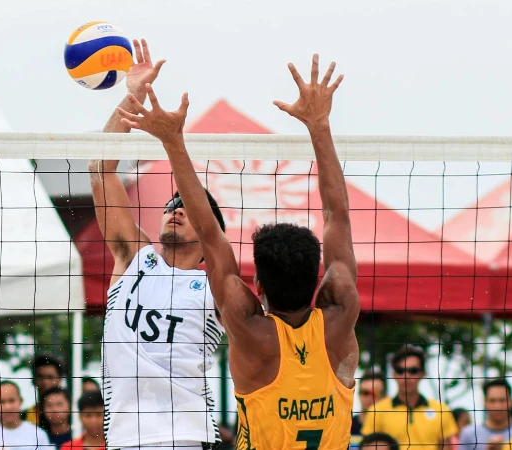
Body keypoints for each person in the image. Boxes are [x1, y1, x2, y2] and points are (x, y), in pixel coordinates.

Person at [117, 53, 359, 448]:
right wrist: (319, 125)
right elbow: (339, 216)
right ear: (319, 278)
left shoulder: (251, 333)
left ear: (257, 284)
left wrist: (173, 143)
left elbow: (212, 237)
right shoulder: (341, 317)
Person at [89, 38, 225, 450]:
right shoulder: (135, 257)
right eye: (171, 204)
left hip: (187, 437)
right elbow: (99, 167)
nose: (175, 210)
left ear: (208, 230)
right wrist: (132, 95)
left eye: (187, 208)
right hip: (125, 439)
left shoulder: (219, 284)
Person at [362, 346, 459, 449]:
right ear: (393, 374)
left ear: (423, 373)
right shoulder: (377, 411)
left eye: (413, 371)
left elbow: (447, 447)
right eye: (400, 370)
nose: (406, 376)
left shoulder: (441, 410)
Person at [0, 381, 52, 450]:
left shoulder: (38, 435)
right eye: (1, 402)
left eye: (11, 401)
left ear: (20, 401)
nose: (7, 407)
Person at [459, 378, 512, 450]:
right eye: (492, 401)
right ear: (484, 402)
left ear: (511, 402)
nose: (497, 406)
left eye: (502, 400)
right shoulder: (468, 434)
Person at [24, 355, 65, 425]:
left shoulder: (74, 416)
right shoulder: (24, 417)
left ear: (60, 379)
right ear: (33, 380)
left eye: (50, 377)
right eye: (40, 377)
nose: (45, 382)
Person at [352, 370, 387, 437]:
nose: (370, 397)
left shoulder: (392, 426)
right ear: (359, 395)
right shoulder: (348, 426)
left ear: (384, 396)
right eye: (365, 393)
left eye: (374, 393)